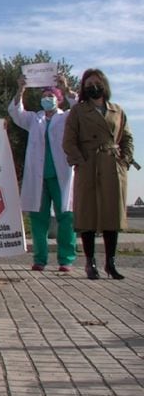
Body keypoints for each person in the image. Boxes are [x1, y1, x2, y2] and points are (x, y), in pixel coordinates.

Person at [63, 68, 134, 280]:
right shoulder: (78, 111)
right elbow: (68, 141)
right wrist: (80, 162)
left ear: (104, 85)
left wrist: (125, 159)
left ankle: (111, 262)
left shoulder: (117, 110)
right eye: (88, 84)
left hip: (112, 165)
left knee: (112, 214)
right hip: (88, 165)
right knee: (88, 214)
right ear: (84, 88)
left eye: (96, 82)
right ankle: (90, 262)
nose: (93, 86)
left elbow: (127, 137)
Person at [8, 74, 77, 272]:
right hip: (39, 177)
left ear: (59, 98)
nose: (47, 98)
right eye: (44, 95)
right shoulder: (34, 119)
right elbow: (16, 112)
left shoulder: (66, 117)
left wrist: (66, 88)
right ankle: (40, 259)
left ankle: (66, 259)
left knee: (66, 216)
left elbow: (81, 107)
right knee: (38, 218)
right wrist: (20, 89)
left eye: (51, 95)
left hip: (61, 175)